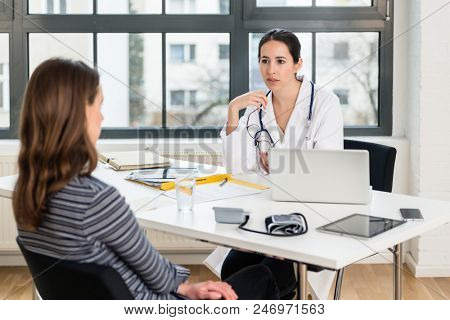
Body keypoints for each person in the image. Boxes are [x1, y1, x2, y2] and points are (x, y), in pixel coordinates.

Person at [12, 58, 280, 300]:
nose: (102, 116)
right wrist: (187, 288)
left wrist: (183, 285)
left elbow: (131, 265)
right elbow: (153, 270)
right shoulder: (97, 199)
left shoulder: (27, 194)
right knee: (263, 275)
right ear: (76, 115)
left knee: (241, 268)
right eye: (98, 105)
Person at [218, 29, 344, 299]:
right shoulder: (255, 107)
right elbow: (236, 169)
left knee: (266, 273)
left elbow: (327, 171)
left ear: (298, 64)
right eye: (264, 60)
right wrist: (232, 110)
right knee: (233, 264)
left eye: (280, 61)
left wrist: (275, 166)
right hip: (266, 212)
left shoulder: (324, 103)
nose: (270, 70)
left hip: (312, 216)